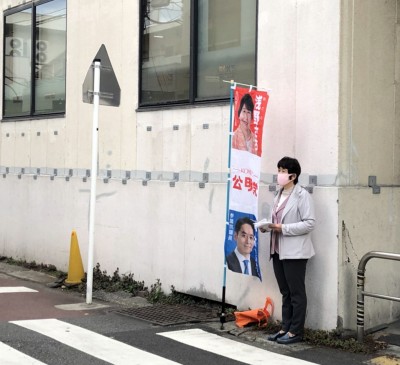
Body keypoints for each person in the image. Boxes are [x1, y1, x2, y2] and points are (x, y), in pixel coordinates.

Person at [260, 156, 315, 344]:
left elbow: (309, 224)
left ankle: (296, 332)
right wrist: (266, 226)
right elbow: (275, 219)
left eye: (283, 171)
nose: (280, 174)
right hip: (277, 250)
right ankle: (285, 328)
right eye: (279, 170)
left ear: (293, 175)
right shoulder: (278, 194)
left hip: (295, 252)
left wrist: (283, 228)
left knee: (296, 293)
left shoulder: (302, 195)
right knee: (285, 292)